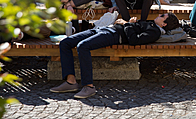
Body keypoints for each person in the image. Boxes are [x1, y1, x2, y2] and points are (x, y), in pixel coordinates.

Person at [50, 12, 180, 99]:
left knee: (83, 46)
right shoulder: (150, 24)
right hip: (104, 29)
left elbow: (134, 40)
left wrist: (127, 24)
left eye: (162, 16)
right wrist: (131, 23)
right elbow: (133, 30)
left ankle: (88, 86)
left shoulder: (155, 32)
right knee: (65, 43)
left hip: (113, 35)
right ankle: (71, 81)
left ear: (164, 24)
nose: (159, 14)